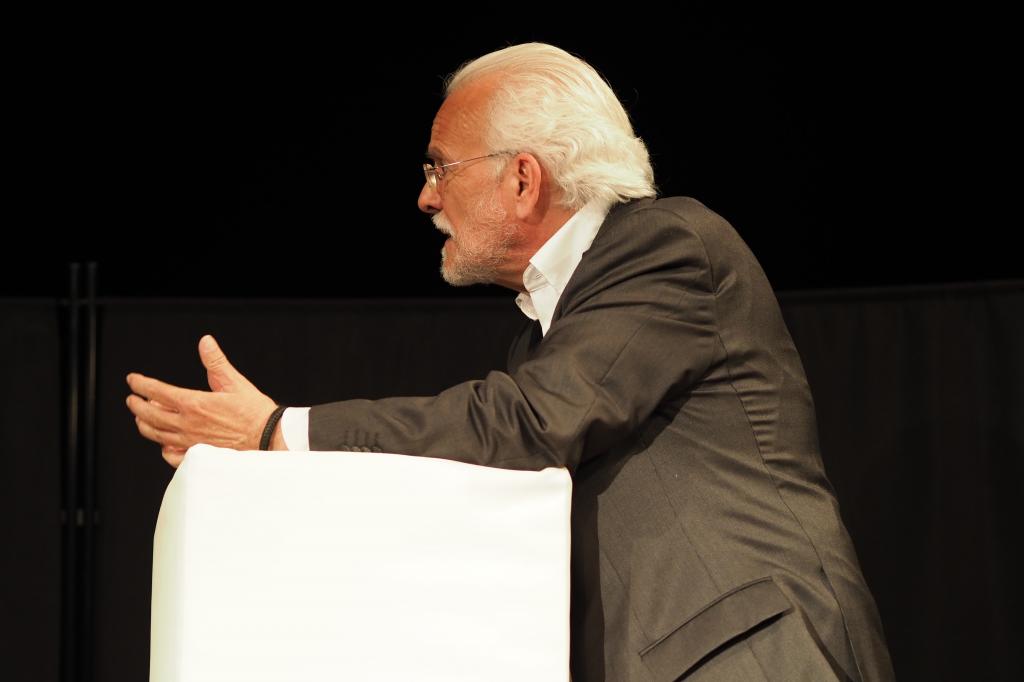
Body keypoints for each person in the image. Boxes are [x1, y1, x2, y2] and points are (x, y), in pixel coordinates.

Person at [127, 42, 895, 681]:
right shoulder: (542, 340)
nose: (426, 198)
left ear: (523, 179)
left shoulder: (667, 246)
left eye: (439, 167)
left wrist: (279, 431)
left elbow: (527, 423)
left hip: (748, 653)